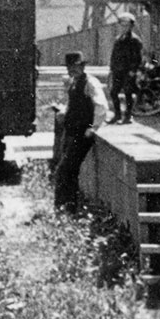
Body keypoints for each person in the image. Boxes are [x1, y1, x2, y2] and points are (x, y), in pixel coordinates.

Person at [53, 51, 109, 214]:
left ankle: (66, 209)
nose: (72, 70)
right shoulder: (74, 82)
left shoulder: (90, 83)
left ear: (82, 66)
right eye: (70, 67)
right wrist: (64, 113)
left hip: (82, 134)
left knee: (65, 170)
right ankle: (66, 209)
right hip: (71, 132)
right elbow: (73, 104)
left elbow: (101, 106)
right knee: (68, 171)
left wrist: (93, 127)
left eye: (75, 67)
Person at [108, 15, 142, 124]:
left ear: (131, 26)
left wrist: (133, 70)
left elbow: (137, 57)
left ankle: (128, 116)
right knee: (114, 92)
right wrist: (112, 68)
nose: (124, 28)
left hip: (128, 71)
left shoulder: (134, 40)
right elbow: (114, 55)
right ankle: (117, 115)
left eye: (126, 25)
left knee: (128, 93)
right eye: (122, 25)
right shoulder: (118, 39)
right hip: (118, 70)